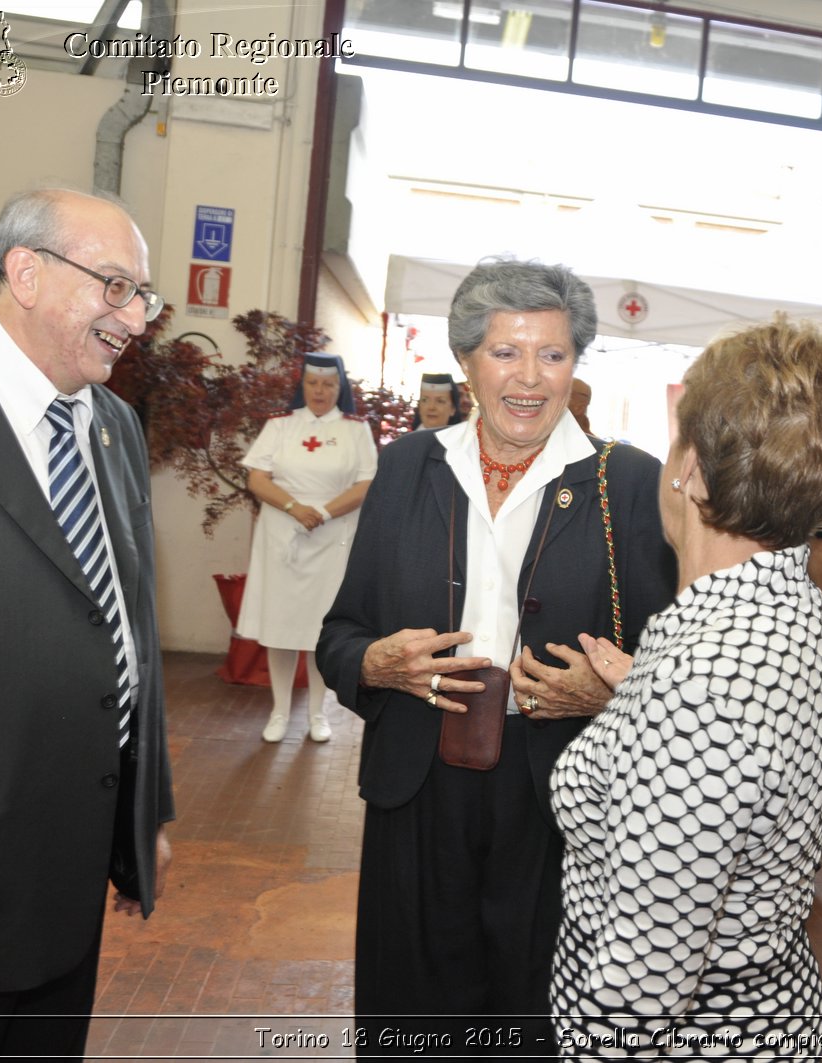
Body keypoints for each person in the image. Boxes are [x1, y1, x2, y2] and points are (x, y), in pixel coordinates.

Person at [316, 258, 676, 1054]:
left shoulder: (630, 486)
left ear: (576, 365)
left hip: (558, 795)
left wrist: (609, 692)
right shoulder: (410, 466)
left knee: (533, 1004)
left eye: (552, 354)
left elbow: (677, 671)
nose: (529, 376)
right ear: (468, 362)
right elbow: (339, 635)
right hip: (417, 780)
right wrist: (377, 663)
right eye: (505, 352)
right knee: (413, 1002)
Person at [549, 316, 822, 1057]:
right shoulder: (801, 620)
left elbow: (643, 984)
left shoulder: (705, 682)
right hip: (768, 1012)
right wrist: (644, 705)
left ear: (691, 466)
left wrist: (668, 711)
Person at [0, 188, 175, 1056]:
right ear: (25, 273)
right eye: (115, 287)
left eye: (142, 297)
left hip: (69, 878)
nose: (134, 319)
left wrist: (145, 807)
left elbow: (127, 623)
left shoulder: (111, 425)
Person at [238, 353, 377, 743]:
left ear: (340, 388)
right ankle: (280, 711)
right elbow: (257, 478)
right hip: (284, 532)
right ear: (302, 385)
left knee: (320, 629)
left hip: (332, 537)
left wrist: (323, 512)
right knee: (280, 626)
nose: (320, 391)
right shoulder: (280, 426)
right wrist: (295, 507)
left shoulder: (355, 430)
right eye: (313, 383)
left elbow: (367, 483)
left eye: (328, 384)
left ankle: (318, 713)